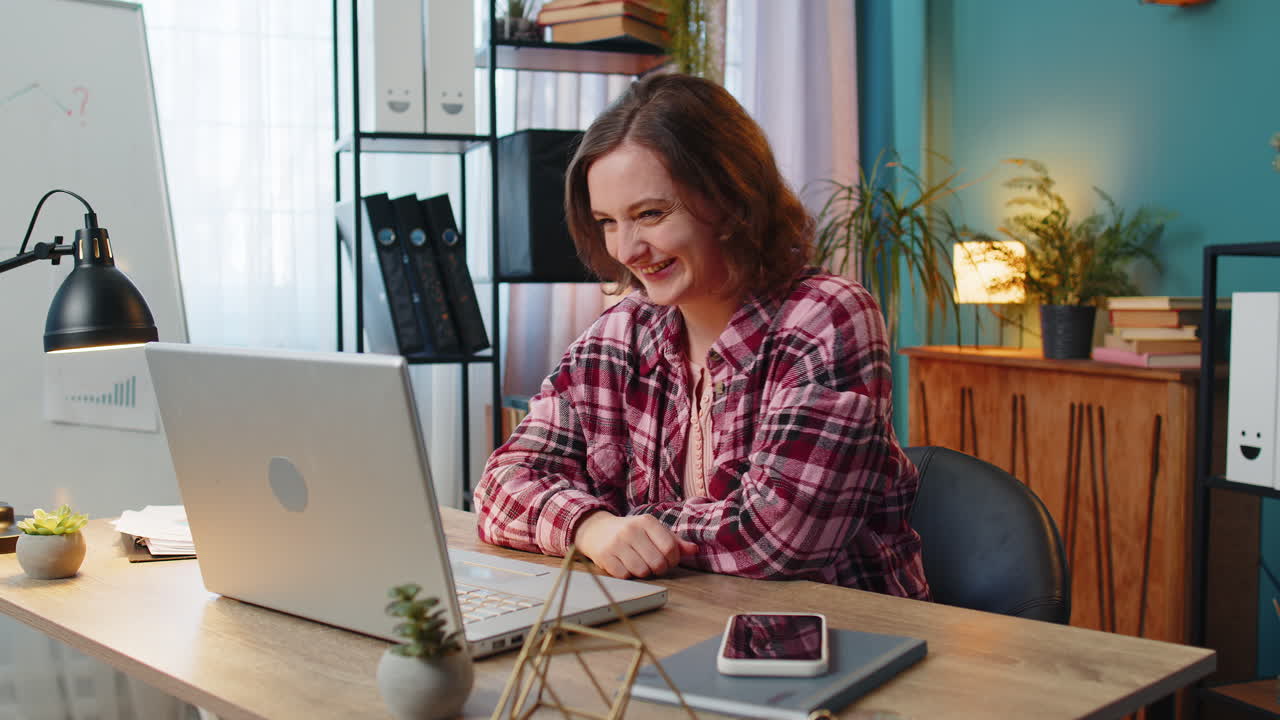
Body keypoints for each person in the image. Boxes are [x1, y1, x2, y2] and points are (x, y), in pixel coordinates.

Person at [473, 73, 929, 600]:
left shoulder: (826, 317)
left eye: (650, 214)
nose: (626, 249)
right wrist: (590, 528)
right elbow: (501, 484)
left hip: (844, 641)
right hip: (687, 628)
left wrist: (628, 524)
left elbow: (774, 539)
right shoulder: (622, 331)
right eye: (607, 221)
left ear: (730, 197)